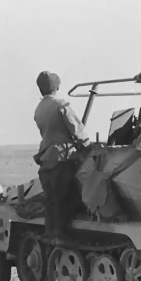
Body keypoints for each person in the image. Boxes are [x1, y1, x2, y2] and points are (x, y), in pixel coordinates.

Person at [33, 71, 91, 245]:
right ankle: (61, 235)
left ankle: (51, 234)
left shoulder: (39, 108)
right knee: (64, 198)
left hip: (46, 158)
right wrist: (88, 146)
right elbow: (76, 128)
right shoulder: (61, 104)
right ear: (57, 87)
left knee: (51, 199)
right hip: (62, 157)